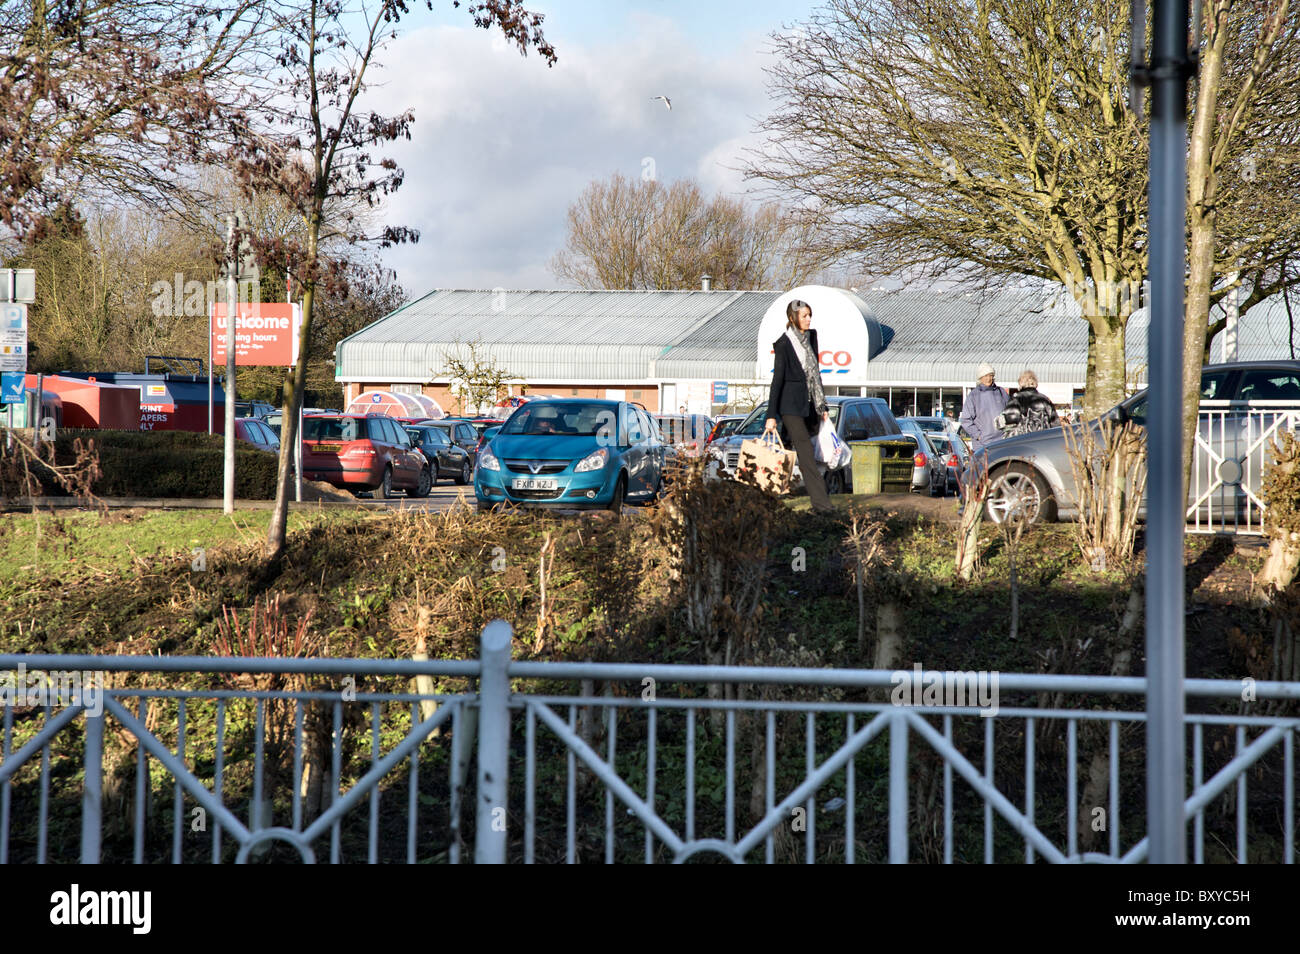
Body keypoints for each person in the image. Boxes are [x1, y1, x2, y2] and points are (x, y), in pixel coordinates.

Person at [764, 298, 833, 513]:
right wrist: (771, 415)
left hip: (810, 406)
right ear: (793, 318)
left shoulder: (812, 337)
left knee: (782, 453)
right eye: (804, 316)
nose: (808, 319)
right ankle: (823, 506)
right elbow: (778, 381)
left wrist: (823, 407)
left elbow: (816, 373)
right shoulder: (783, 344)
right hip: (790, 407)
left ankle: (767, 501)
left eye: (810, 315)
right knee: (806, 456)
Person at [958, 361, 1009, 455]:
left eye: (991, 375)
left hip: (1002, 442)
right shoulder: (974, 396)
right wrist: (978, 436)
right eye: (986, 376)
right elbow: (965, 420)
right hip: (982, 445)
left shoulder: (1001, 392)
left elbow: (1010, 412)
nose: (989, 378)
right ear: (980, 378)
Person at [996, 370, 1060, 436]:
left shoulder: (1017, 399)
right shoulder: (1045, 399)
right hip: (1043, 441)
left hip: (1022, 442)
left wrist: (997, 422)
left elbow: (1006, 421)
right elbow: (1056, 424)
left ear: (1021, 383)